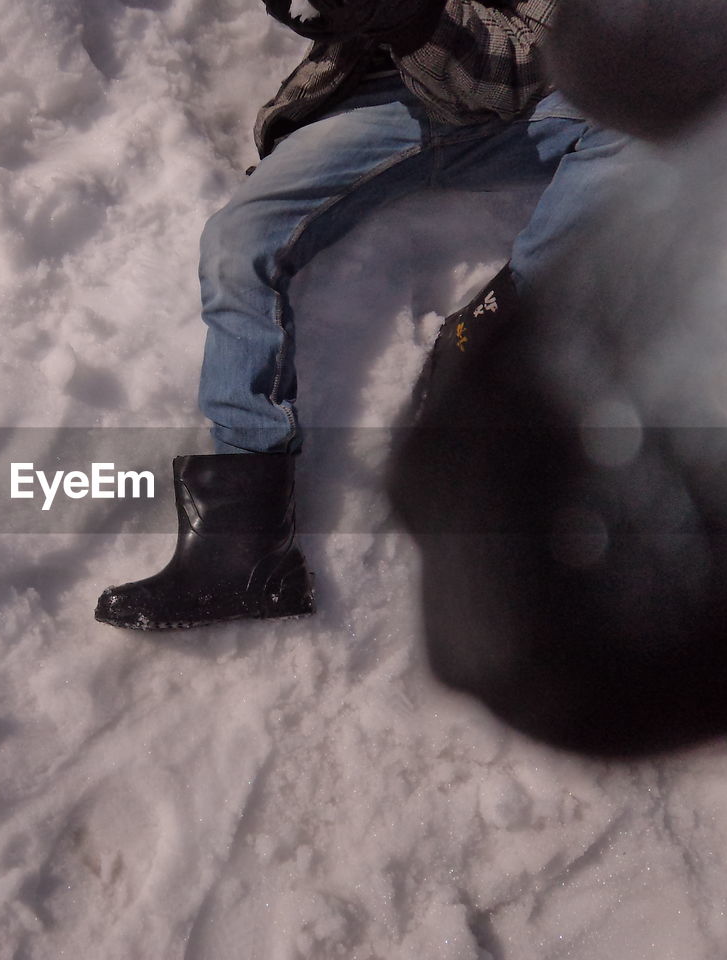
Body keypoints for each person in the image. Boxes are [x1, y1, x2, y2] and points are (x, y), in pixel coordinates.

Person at [95, 0, 633, 630]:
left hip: (526, 112)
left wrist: (410, 17)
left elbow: (528, 64)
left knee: (650, 126)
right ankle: (242, 544)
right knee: (238, 240)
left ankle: (492, 332)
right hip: (382, 101)